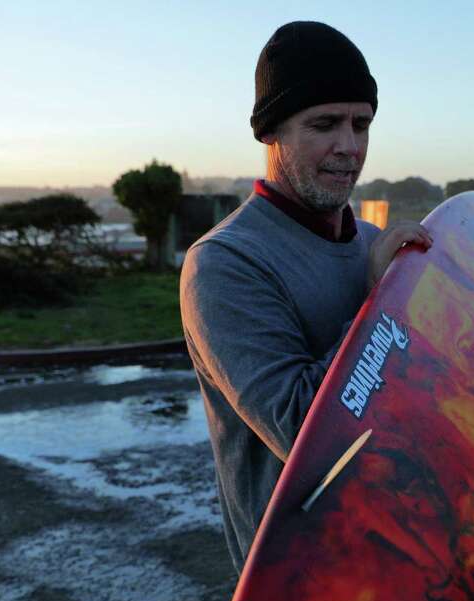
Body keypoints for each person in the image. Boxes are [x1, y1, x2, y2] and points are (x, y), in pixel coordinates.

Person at [180, 21, 432, 573]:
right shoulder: (225, 263)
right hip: (302, 596)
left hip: (408, 562)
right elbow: (302, 433)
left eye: (361, 124)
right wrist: (382, 303)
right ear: (272, 132)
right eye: (323, 124)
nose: (349, 146)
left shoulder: (375, 246)